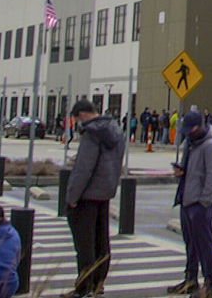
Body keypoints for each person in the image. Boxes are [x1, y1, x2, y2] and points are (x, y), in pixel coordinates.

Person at [64, 99, 126, 298]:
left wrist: (72, 197)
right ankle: (99, 284)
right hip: (104, 193)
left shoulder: (91, 133)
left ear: (81, 114)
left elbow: (84, 169)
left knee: (84, 244)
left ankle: (83, 287)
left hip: (87, 195)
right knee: (101, 241)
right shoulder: (115, 130)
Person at [168, 111, 212, 298]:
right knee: (190, 243)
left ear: (200, 126)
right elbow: (192, 170)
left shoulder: (211, 145)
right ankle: (190, 279)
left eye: (191, 129)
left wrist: (204, 202)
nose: (188, 133)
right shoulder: (191, 143)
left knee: (204, 244)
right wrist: (181, 172)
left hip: (200, 203)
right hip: (186, 198)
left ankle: (210, 284)